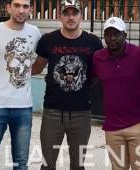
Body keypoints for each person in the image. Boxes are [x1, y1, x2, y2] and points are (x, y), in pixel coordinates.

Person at [31, 0, 103, 169]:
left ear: (81, 16)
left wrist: (79, 86)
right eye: (66, 13)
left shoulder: (93, 42)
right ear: (59, 16)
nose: (71, 17)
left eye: (75, 13)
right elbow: (37, 67)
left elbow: (96, 74)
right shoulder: (48, 40)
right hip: (52, 112)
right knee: (48, 164)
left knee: (78, 165)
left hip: (81, 113)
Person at [0, 0, 41, 169]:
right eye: (17, 5)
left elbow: (36, 67)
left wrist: (28, 68)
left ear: (31, 9)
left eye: (25, 6)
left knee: (21, 164)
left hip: (24, 107)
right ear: (9, 8)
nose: (21, 10)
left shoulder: (35, 32)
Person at [92, 17, 140, 170]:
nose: (112, 38)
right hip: (112, 127)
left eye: (116, 34)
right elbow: (89, 79)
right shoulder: (98, 57)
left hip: (139, 124)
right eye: (108, 34)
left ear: (125, 34)